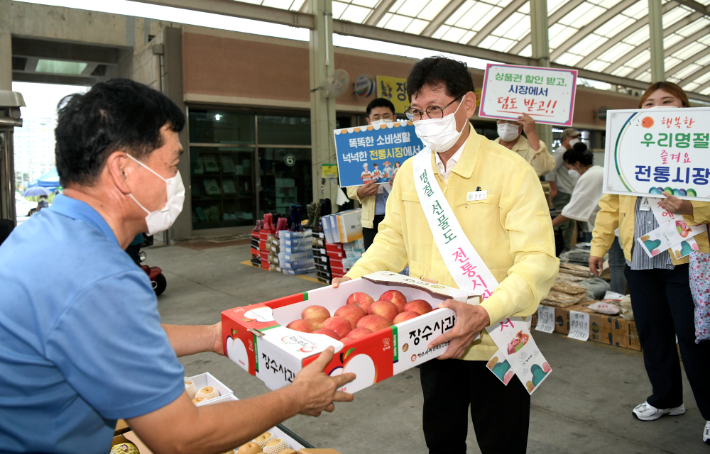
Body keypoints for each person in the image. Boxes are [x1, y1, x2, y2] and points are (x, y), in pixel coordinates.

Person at [0, 78, 355, 454]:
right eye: (171, 165)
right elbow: (182, 437)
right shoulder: (101, 276)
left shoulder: (43, 235)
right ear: (122, 171)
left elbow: (115, 335)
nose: (176, 181)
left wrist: (213, 337)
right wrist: (296, 397)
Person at [335, 56, 558, 453]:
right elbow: (391, 241)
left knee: (502, 441)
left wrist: (488, 311)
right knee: (441, 438)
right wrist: (355, 280)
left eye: (435, 109)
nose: (425, 120)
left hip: (498, 339)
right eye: (417, 112)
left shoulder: (510, 171)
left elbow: (538, 261)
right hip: (432, 337)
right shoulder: (410, 172)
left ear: (467, 104)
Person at [589, 81, 710, 445]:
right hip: (639, 262)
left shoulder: (701, 148)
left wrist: (693, 207)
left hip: (687, 260)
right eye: (649, 103)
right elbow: (610, 205)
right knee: (653, 333)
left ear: (684, 109)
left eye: (667, 101)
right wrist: (598, 246)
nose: (657, 107)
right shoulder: (625, 153)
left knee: (694, 338)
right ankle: (667, 398)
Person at [347, 98, 396, 250]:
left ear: (394, 119)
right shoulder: (358, 149)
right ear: (369, 121)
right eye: (376, 117)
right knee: (374, 267)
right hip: (372, 221)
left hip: (401, 219)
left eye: (386, 116)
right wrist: (360, 191)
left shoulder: (405, 145)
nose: (381, 120)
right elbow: (351, 189)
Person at [547, 128, 580, 253]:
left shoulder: (569, 152)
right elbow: (551, 169)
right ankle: (561, 251)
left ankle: (566, 250)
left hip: (569, 191)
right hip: (562, 192)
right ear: (565, 139)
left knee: (569, 223)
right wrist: (553, 188)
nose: (575, 140)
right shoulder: (561, 152)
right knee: (563, 224)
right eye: (573, 137)